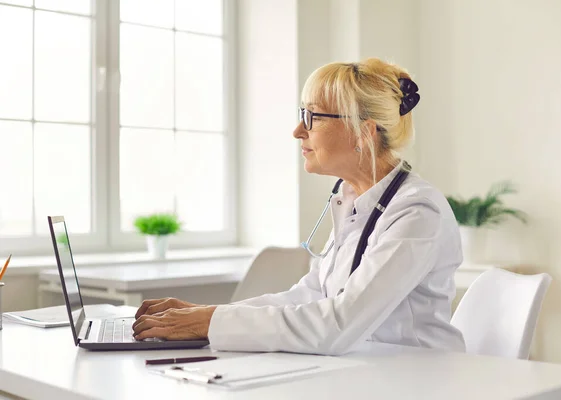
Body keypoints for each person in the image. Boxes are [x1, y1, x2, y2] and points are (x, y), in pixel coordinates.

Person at [133, 58, 466, 355]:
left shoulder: (418, 213)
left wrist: (210, 322)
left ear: (362, 132)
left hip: (419, 380)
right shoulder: (354, 200)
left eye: (312, 117)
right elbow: (308, 296)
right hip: (364, 372)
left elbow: (338, 324)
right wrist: (206, 314)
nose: (297, 131)